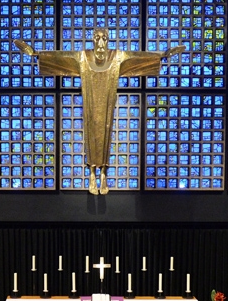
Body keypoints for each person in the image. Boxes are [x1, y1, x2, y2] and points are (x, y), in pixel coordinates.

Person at [14, 30, 185, 194]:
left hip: (107, 100)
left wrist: (162, 55)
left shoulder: (118, 57)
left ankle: (103, 173)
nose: (101, 42)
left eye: (104, 38)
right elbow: (60, 57)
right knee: (91, 131)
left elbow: (139, 57)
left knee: (106, 130)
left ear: (108, 40)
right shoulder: (82, 57)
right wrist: (36, 54)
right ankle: (92, 173)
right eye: (97, 38)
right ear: (93, 40)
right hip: (90, 102)